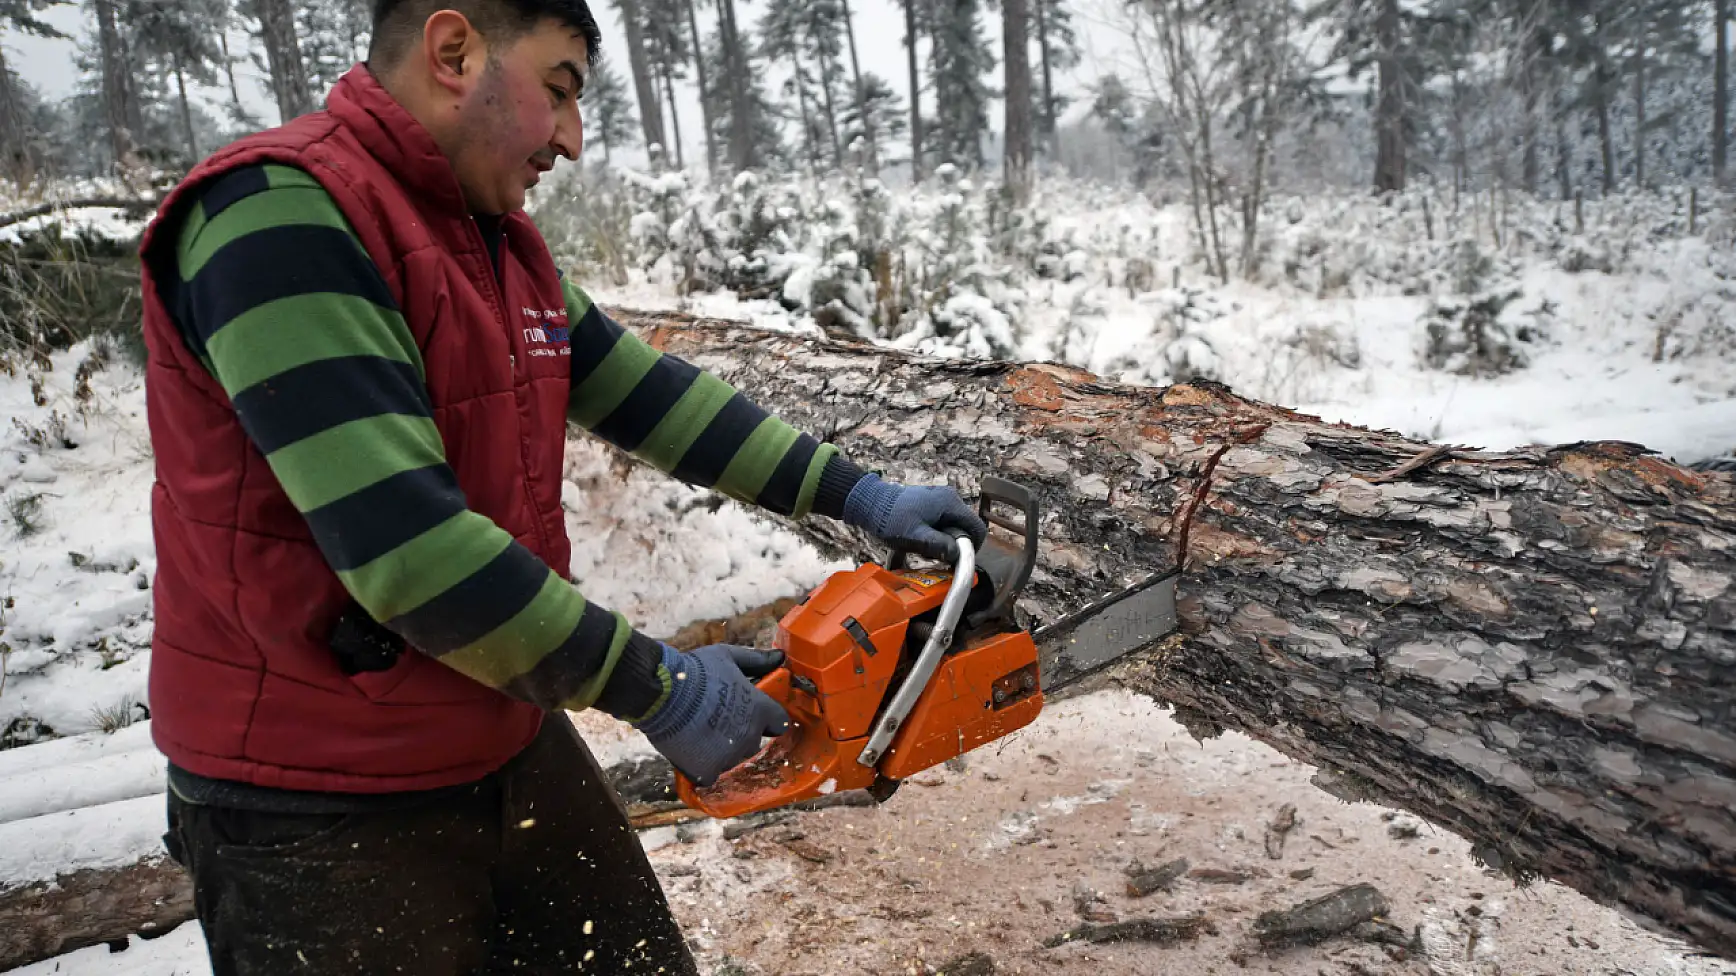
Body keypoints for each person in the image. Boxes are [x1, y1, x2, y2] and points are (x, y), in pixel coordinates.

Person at [133, 0, 987, 971]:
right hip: (313, 799)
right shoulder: (274, 221)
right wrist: (659, 688)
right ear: (453, 50)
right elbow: (411, 556)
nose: (573, 139)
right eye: (559, 90)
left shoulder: (494, 245)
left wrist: (856, 496)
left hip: (494, 729)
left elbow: (658, 401)